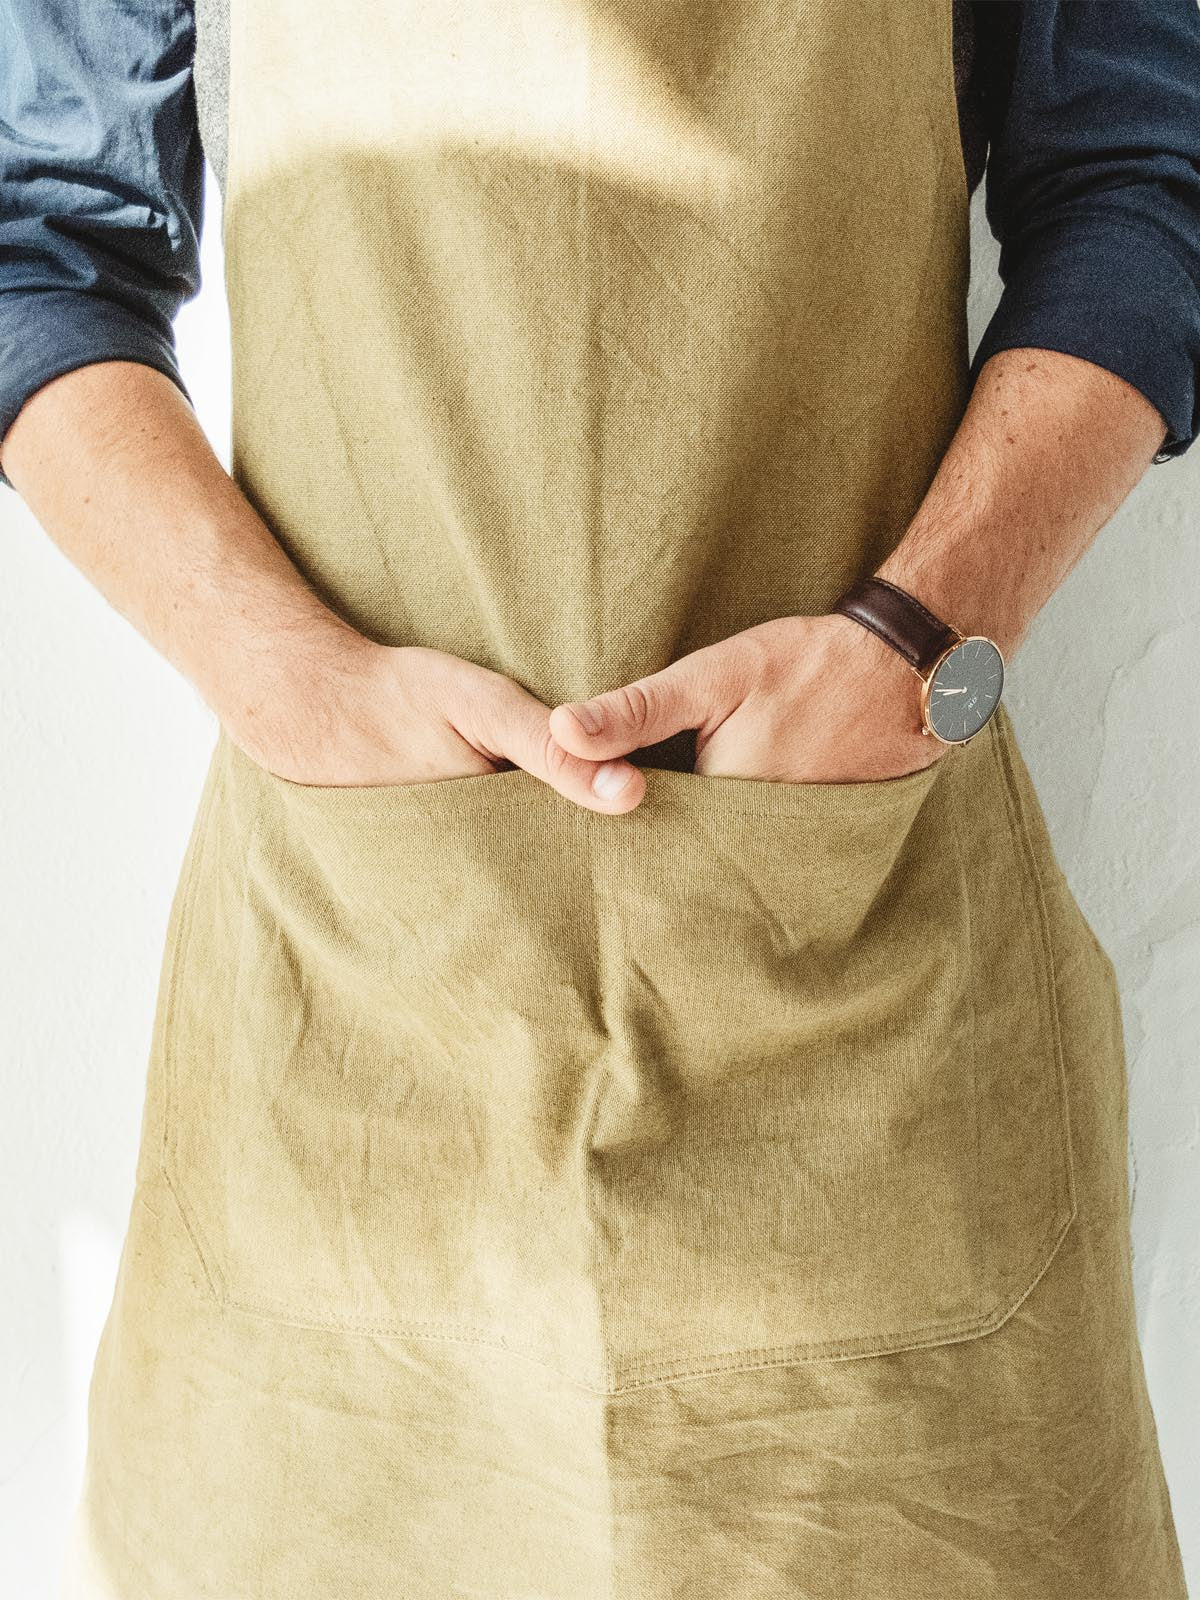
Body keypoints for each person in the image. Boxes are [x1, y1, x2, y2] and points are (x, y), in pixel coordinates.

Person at [2, 0, 1199, 1594]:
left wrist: (919, 645)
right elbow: (41, 236)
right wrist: (283, 676)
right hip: (355, 1026)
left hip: (866, 1038)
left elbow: (1145, 171)